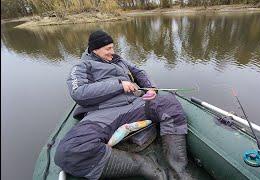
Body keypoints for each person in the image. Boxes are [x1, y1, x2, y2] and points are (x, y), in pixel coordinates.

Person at [54, 30, 193, 180]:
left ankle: (178, 172)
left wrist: (150, 87)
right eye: (108, 49)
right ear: (95, 49)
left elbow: (139, 72)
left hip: (134, 104)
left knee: (170, 104)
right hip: (104, 113)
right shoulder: (81, 67)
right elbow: (78, 92)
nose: (112, 52)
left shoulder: (118, 60)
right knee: (70, 151)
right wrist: (119, 84)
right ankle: (142, 165)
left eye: (113, 47)